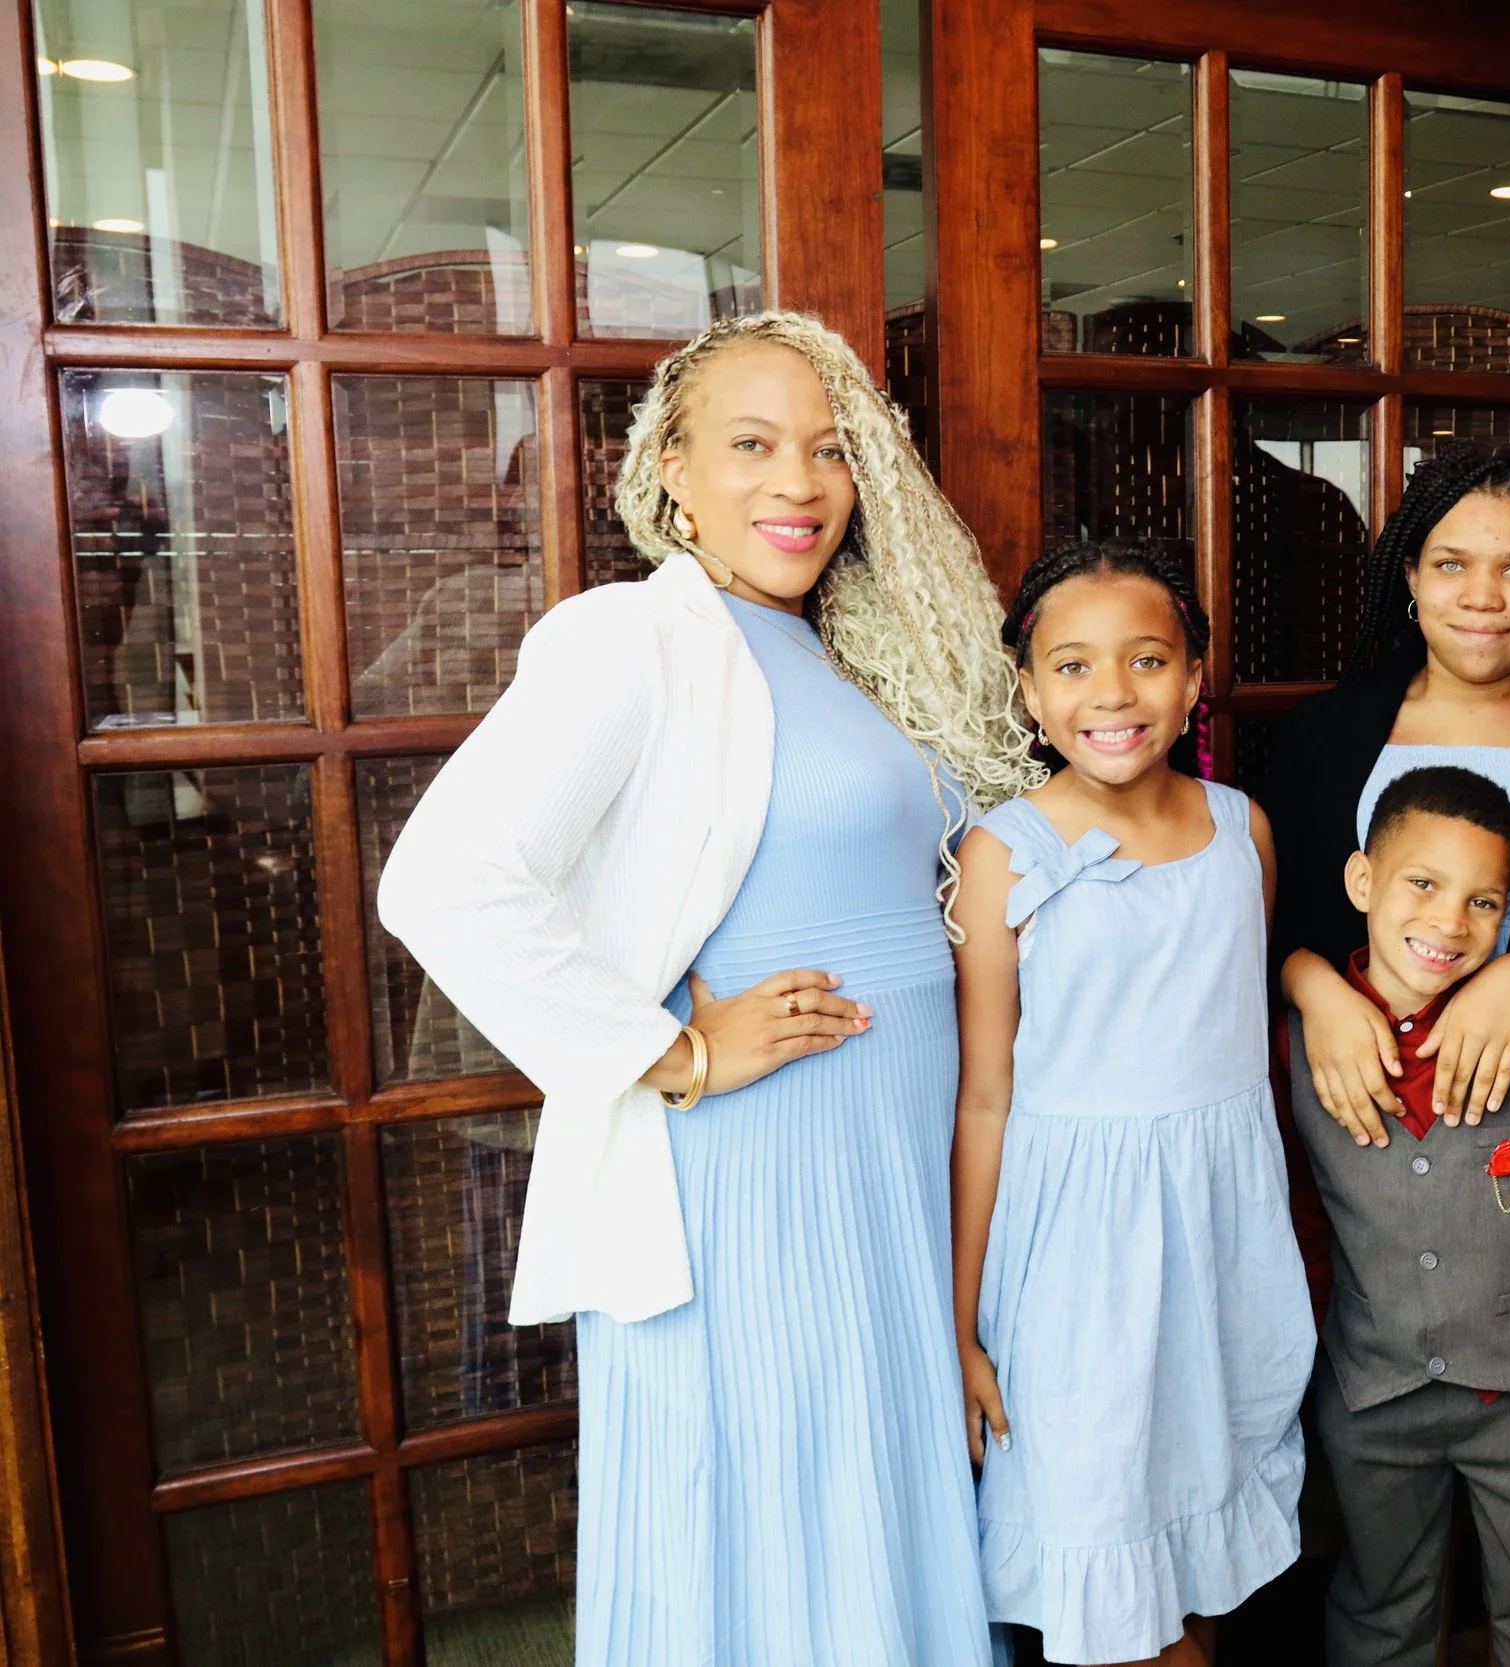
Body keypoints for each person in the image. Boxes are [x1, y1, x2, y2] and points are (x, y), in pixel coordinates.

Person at [377, 311, 1038, 1666]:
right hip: (755, 1169)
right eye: (751, 444)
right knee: (770, 1517)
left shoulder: (847, 647)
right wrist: (669, 1051)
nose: (797, 481)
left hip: (888, 1162)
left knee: (869, 1498)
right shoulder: (635, 637)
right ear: (670, 466)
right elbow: (442, 878)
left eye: (828, 449)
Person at [950, 543, 1316, 1666]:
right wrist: (960, 1321)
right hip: (1075, 1257)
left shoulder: (1241, 827)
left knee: (1191, 1540)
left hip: (1218, 1236)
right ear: (1027, 688)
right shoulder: (1001, 853)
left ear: (1194, 675)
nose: (1110, 692)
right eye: (1071, 664)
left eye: (1146, 658)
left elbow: (1240, 1047)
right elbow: (984, 1097)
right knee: (1102, 1543)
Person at [1276, 766, 1510, 1667]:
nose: (1449, 923)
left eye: (1484, 901)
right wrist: (1315, 1364)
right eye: (1424, 885)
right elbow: (1300, 1221)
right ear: (1364, 882)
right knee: (1381, 1605)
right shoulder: (1298, 1050)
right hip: (1373, 1396)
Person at [1267, 443, 1510, 1142]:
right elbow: (1272, 926)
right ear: (1411, 572)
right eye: (1451, 564)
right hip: (1351, 1114)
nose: (1482, 597)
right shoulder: (1325, 734)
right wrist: (1314, 990)